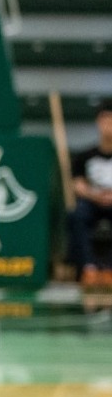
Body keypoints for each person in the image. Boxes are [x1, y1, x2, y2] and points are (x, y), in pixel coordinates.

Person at [68, 101, 112, 286]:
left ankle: (109, 269)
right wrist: (95, 196)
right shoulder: (85, 156)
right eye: (106, 120)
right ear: (98, 122)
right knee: (77, 215)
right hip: (91, 203)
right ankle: (88, 268)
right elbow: (78, 185)